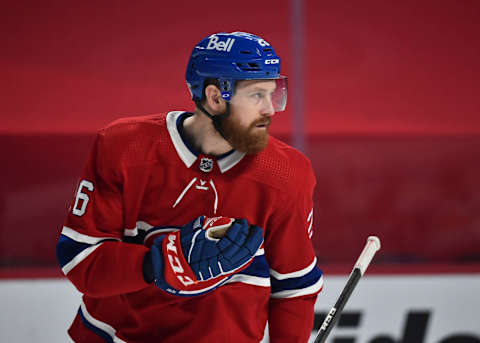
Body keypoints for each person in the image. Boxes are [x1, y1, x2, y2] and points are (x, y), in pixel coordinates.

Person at [56, 31, 323, 343]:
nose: (271, 109)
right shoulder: (124, 148)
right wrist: (159, 263)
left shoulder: (287, 173)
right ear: (214, 97)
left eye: (273, 93)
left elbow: (294, 287)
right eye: (256, 96)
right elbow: (80, 258)